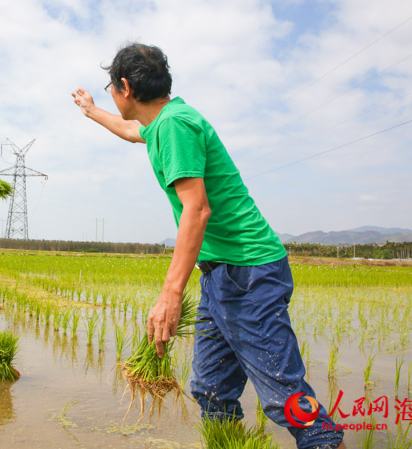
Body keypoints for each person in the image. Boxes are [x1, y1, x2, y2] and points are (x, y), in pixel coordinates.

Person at [72, 43, 345, 449]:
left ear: (125, 87)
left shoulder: (175, 125)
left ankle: (325, 441)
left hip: (248, 273)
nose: (111, 92)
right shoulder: (161, 122)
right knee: (211, 387)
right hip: (222, 273)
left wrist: (171, 293)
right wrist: (92, 110)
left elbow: (196, 210)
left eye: (110, 87)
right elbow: (133, 131)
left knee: (284, 396)